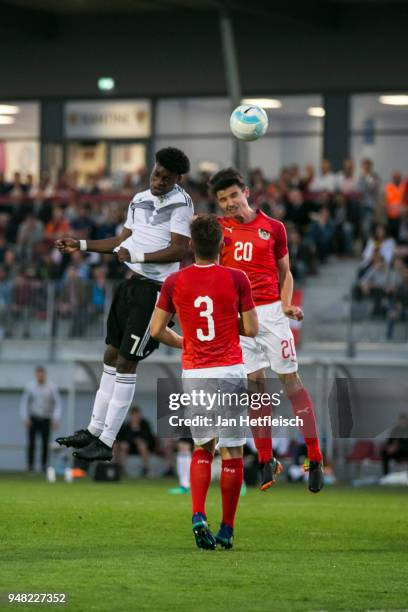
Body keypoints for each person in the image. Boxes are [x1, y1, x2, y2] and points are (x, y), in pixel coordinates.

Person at [55, 148, 193, 461]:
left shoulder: (181, 203)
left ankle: (106, 442)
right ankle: (92, 430)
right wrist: (81, 244)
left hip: (156, 291)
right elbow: (122, 241)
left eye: (166, 177)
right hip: (131, 286)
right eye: (156, 173)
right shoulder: (139, 198)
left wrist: (139, 256)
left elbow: (178, 250)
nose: (158, 181)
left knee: (127, 362)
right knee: (111, 354)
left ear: (177, 179)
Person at [209, 167, 324, 494]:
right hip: (239, 320)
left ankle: (314, 457)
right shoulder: (218, 229)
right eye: (222, 199)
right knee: (254, 387)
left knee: (290, 381)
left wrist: (286, 304)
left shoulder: (274, 228)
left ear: (246, 192)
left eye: (233, 195)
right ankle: (264, 459)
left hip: (272, 315)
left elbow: (285, 273)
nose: (229, 203)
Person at [150, 214, 258, 550]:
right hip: (229, 371)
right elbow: (252, 329)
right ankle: (226, 528)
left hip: (196, 372)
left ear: (192, 245)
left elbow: (155, 330)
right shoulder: (237, 277)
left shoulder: (174, 282)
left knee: (202, 447)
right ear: (223, 245)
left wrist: (187, 340)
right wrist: (227, 325)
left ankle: (198, 514)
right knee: (232, 451)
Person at [20, 366, 62, 472]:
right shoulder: (30, 387)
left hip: (46, 419)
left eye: (42, 374)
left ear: (45, 375)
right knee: (31, 443)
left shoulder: (52, 387)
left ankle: (44, 466)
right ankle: (30, 465)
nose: (40, 376)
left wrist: (55, 419)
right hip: (33, 418)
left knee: (45, 443)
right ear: (36, 375)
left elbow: (57, 404)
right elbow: (24, 403)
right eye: (38, 374)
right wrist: (26, 418)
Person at [114, 406, 156, 476]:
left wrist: (140, 438)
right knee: (124, 446)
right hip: (129, 448)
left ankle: (145, 468)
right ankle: (121, 468)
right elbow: (121, 438)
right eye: (134, 415)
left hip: (143, 447)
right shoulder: (126, 425)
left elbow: (149, 437)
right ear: (131, 415)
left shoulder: (145, 424)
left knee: (142, 445)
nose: (136, 417)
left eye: (137, 415)